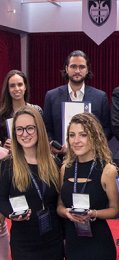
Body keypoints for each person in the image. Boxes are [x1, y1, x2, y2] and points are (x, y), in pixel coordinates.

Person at [0, 106, 64, 259]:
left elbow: (60, 201)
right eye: (19, 129)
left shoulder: (54, 163)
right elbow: (1, 198)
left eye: (30, 128)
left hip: (53, 240)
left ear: (39, 129)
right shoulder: (7, 165)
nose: (25, 134)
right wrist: (11, 214)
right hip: (24, 242)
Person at [57, 113, 119, 259]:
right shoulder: (65, 167)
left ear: (94, 137)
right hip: (73, 244)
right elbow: (59, 205)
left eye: (83, 135)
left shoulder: (108, 170)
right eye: (72, 135)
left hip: (99, 245)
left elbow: (115, 210)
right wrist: (65, 212)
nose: (76, 141)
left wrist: (93, 213)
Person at [43, 50, 112, 155]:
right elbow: (46, 128)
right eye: (73, 66)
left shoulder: (100, 97)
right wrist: (52, 143)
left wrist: (94, 143)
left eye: (81, 67)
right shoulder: (51, 96)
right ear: (66, 69)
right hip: (60, 158)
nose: (77, 70)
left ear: (87, 69)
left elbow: (107, 129)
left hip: (91, 157)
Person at [0, 70, 42, 150]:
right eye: (12, 86)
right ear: (8, 89)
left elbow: (43, 139)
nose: (17, 88)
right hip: (10, 160)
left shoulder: (37, 111)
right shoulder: (2, 115)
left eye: (20, 84)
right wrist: (4, 148)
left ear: (25, 87)